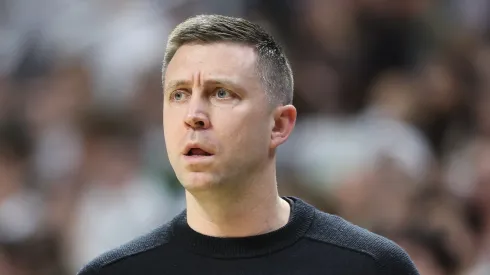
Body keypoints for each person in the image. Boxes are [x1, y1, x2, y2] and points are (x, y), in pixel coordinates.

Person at [77, 14, 419, 275]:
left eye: (221, 93)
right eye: (178, 95)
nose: (193, 115)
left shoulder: (371, 266)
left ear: (279, 125)